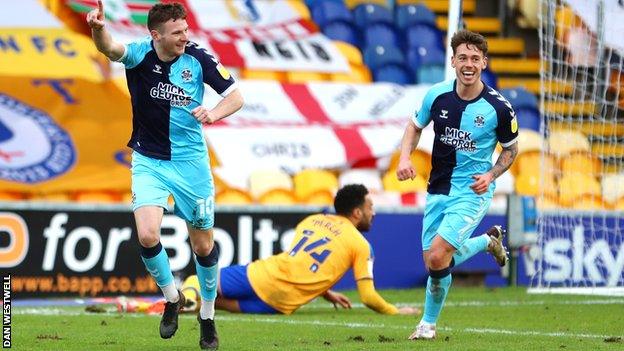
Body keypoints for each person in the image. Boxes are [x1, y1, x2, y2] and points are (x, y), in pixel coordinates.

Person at [86, 1, 243, 349]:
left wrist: (214, 114)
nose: (185, 37)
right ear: (155, 35)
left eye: (186, 30)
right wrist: (98, 29)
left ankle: (207, 315)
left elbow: (236, 97)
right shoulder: (140, 54)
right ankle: (173, 298)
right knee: (146, 235)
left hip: (191, 164)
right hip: (149, 160)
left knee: (203, 245)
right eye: (177, 33)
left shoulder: (199, 59)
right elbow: (111, 48)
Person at [396, 29, 518, 340]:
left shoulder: (499, 108)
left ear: (484, 63)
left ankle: (427, 325)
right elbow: (414, 125)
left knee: (438, 257)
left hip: (472, 192)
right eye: (462, 57)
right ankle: (487, 242)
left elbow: (511, 148)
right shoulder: (436, 95)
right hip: (437, 188)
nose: (468, 64)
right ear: (453, 61)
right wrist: (404, 158)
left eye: (475, 59)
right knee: (433, 262)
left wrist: (491, 175)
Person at [208, 184, 419, 316]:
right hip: (281, 303)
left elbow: (300, 261)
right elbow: (367, 297)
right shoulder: (361, 245)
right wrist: (395, 311)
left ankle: (185, 300)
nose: (373, 213)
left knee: (203, 283)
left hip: (265, 275)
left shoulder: (313, 220)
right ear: (356, 212)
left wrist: (325, 292)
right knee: (219, 304)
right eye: (369, 207)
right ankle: (189, 303)